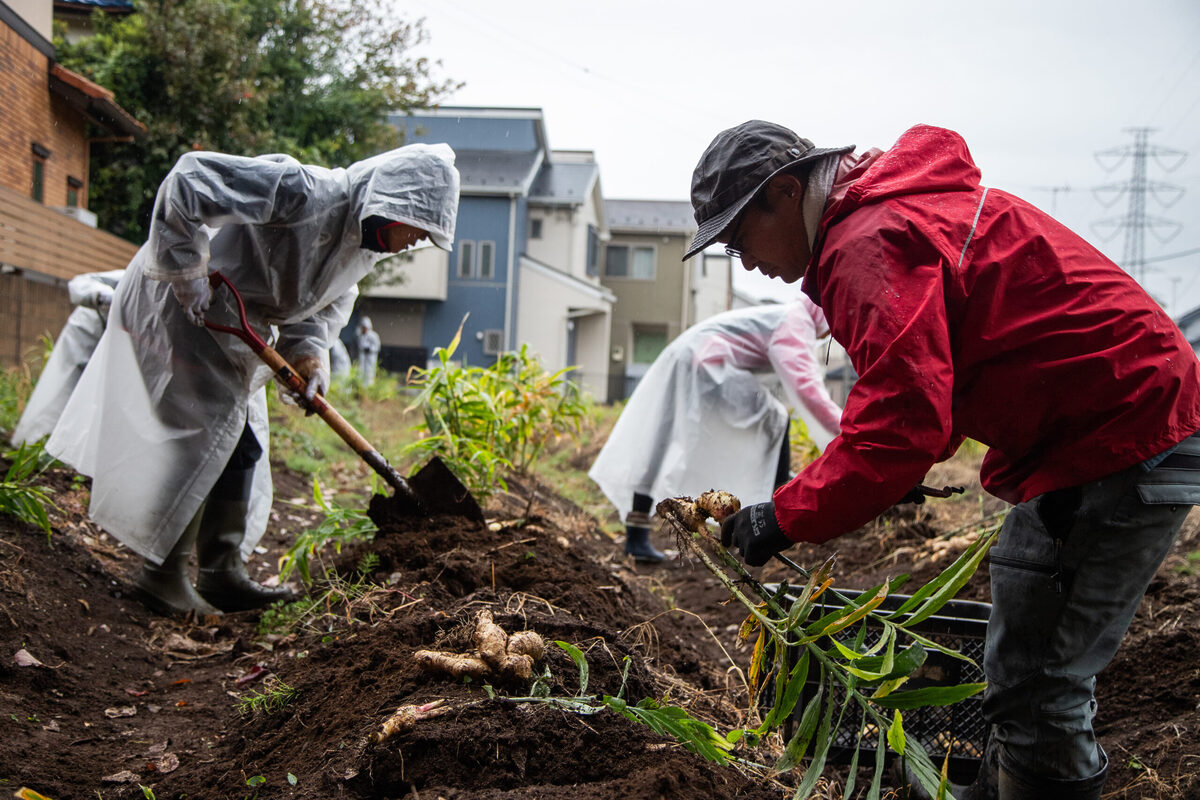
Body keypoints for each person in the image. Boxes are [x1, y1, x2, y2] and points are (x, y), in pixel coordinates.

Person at [686, 120, 1200, 800]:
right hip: (1123, 424)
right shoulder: (895, 213)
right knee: (1023, 659)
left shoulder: (865, 243)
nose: (743, 261)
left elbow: (900, 422)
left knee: (1037, 684)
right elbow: (939, 381)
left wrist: (784, 516)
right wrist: (888, 471)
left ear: (784, 193)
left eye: (739, 237)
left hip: (1121, 435)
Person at [47, 144, 460, 617]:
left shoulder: (357, 251)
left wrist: (308, 358)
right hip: (179, 309)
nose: (414, 242)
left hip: (235, 332)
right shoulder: (302, 191)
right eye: (417, 228)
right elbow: (189, 179)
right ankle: (161, 576)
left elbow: (320, 309)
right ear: (392, 204)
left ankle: (220, 574)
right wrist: (186, 269)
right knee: (196, 441)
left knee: (238, 444)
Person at [588, 296, 841, 563]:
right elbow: (808, 390)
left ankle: (635, 535)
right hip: (705, 363)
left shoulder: (785, 316)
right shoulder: (795, 323)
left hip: (690, 358)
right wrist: (849, 431)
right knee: (775, 418)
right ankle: (774, 507)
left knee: (660, 442)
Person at [11, 269, 122, 446]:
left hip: (117, 345)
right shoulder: (135, 274)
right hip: (86, 336)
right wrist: (108, 298)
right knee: (59, 393)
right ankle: (35, 444)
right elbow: (80, 283)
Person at [356, 316, 381, 385]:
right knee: (361, 372)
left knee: (369, 373)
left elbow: (377, 346)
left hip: (370, 357)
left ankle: (369, 387)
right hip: (362, 356)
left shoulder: (373, 336)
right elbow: (359, 345)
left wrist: (370, 349)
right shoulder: (360, 336)